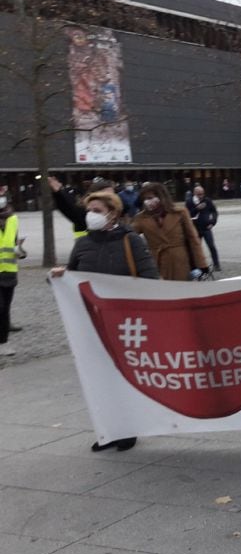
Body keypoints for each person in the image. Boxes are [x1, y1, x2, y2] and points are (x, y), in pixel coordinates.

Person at [50, 191, 159, 450]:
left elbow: (150, 278)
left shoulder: (130, 241)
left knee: (123, 377)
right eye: (89, 210)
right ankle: (108, 430)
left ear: (113, 213)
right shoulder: (83, 243)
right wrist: (59, 276)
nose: (91, 215)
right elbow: (73, 277)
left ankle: (128, 428)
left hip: (125, 322)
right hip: (92, 322)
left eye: (97, 210)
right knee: (98, 378)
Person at [131, 183, 209, 281]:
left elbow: (193, 239)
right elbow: (129, 236)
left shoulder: (180, 212)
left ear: (161, 196)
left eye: (150, 198)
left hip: (180, 261)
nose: (147, 201)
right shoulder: (140, 218)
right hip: (156, 263)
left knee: (181, 288)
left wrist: (201, 264)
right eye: (144, 199)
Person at [0, 194, 25, 357]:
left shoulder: (13, 219)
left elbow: (13, 245)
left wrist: (20, 251)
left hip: (9, 271)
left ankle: (3, 343)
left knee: (5, 309)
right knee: (0, 307)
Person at [185, 185, 221, 271]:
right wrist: (197, 209)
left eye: (202, 194)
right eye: (199, 194)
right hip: (195, 228)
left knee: (211, 246)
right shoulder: (189, 202)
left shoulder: (207, 200)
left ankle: (216, 264)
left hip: (206, 227)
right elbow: (187, 215)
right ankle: (197, 265)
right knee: (196, 248)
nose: (201, 196)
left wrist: (212, 222)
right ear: (194, 193)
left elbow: (214, 212)